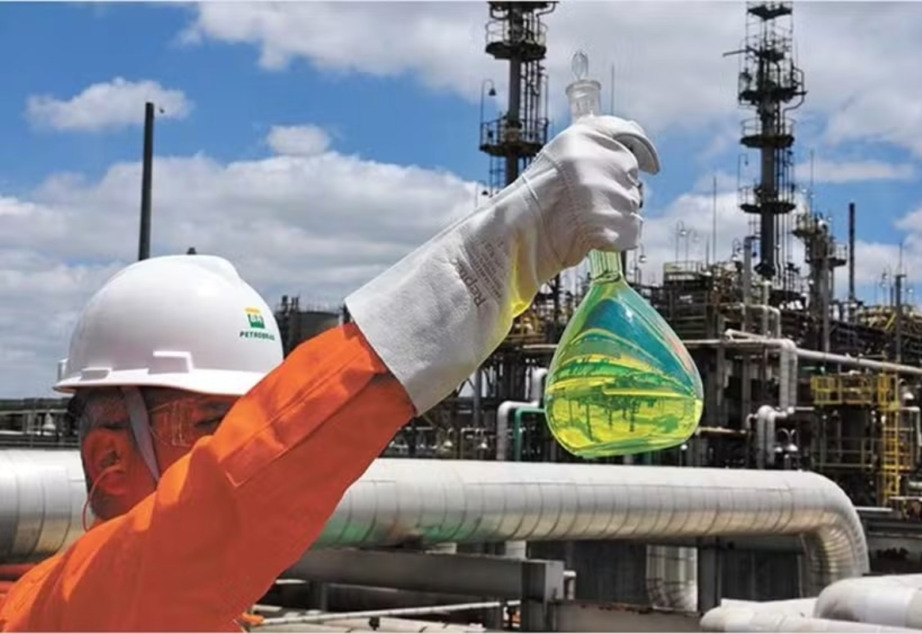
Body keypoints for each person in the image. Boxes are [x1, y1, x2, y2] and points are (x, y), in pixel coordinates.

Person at [0, 114, 659, 631]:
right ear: (110, 458)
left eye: (253, 420)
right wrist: (495, 257)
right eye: (213, 427)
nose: (249, 449)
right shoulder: (54, 616)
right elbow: (228, 496)